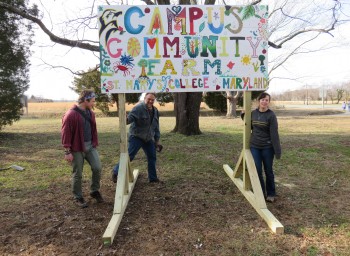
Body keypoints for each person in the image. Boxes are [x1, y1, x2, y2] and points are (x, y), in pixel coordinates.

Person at [61, 89, 103, 208]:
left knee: (97, 167)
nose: (94, 104)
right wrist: (67, 151)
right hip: (76, 148)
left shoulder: (91, 113)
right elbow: (66, 133)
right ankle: (78, 196)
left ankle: (94, 191)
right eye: (93, 101)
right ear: (86, 100)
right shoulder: (71, 114)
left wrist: (94, 142)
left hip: (90, 146)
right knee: (78, 173)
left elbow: (93, 129)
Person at [241, 92, 281, 203]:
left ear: (269, 102)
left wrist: (277, 150)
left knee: (268, 171)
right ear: (259, 101)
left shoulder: (271, 115)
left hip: (267, 147)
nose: (264, 101)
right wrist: (243, 115)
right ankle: (260, 192)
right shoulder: (253, 113)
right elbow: (248, 124)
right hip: (255, 147)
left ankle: (271, 193)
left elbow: (274, 134)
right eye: (262, 99)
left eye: (266, 100)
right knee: (257, 170)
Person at [112, 92, 161, 183]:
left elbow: (156, 126)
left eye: (152, 100)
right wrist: (124, 117)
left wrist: (157, 141)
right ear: (144, 98)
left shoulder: (155, 111)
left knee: (152, 157)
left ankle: (153, 178)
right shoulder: (138, 108)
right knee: (129, 155)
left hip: (149, 138)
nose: (150, 101)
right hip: (136, 137)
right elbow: (128, 120)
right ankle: (115, 171)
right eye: (148, 99)